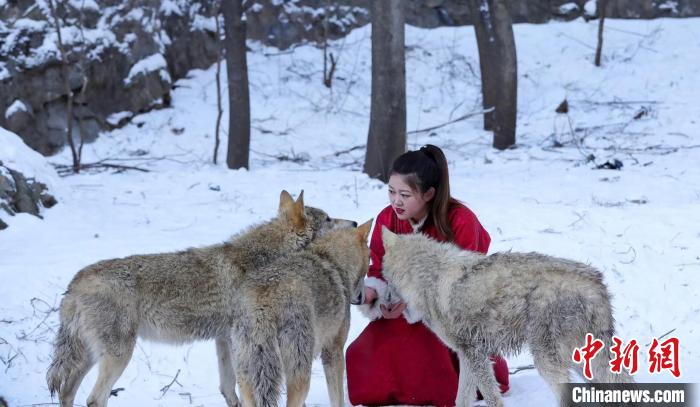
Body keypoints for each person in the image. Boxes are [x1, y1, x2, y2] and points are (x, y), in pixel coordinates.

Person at [345, 144, 509, 406]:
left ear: (429, 193)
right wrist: (372, 294)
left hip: (449, 315)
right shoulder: (387, 219)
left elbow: (465, 280)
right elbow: (378, 269)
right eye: (391, 191)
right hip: (402, 314)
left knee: (429, 369)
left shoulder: (461, 221)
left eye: (405, 194)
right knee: (360, 357)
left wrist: (412, 302)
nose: (396, 201)